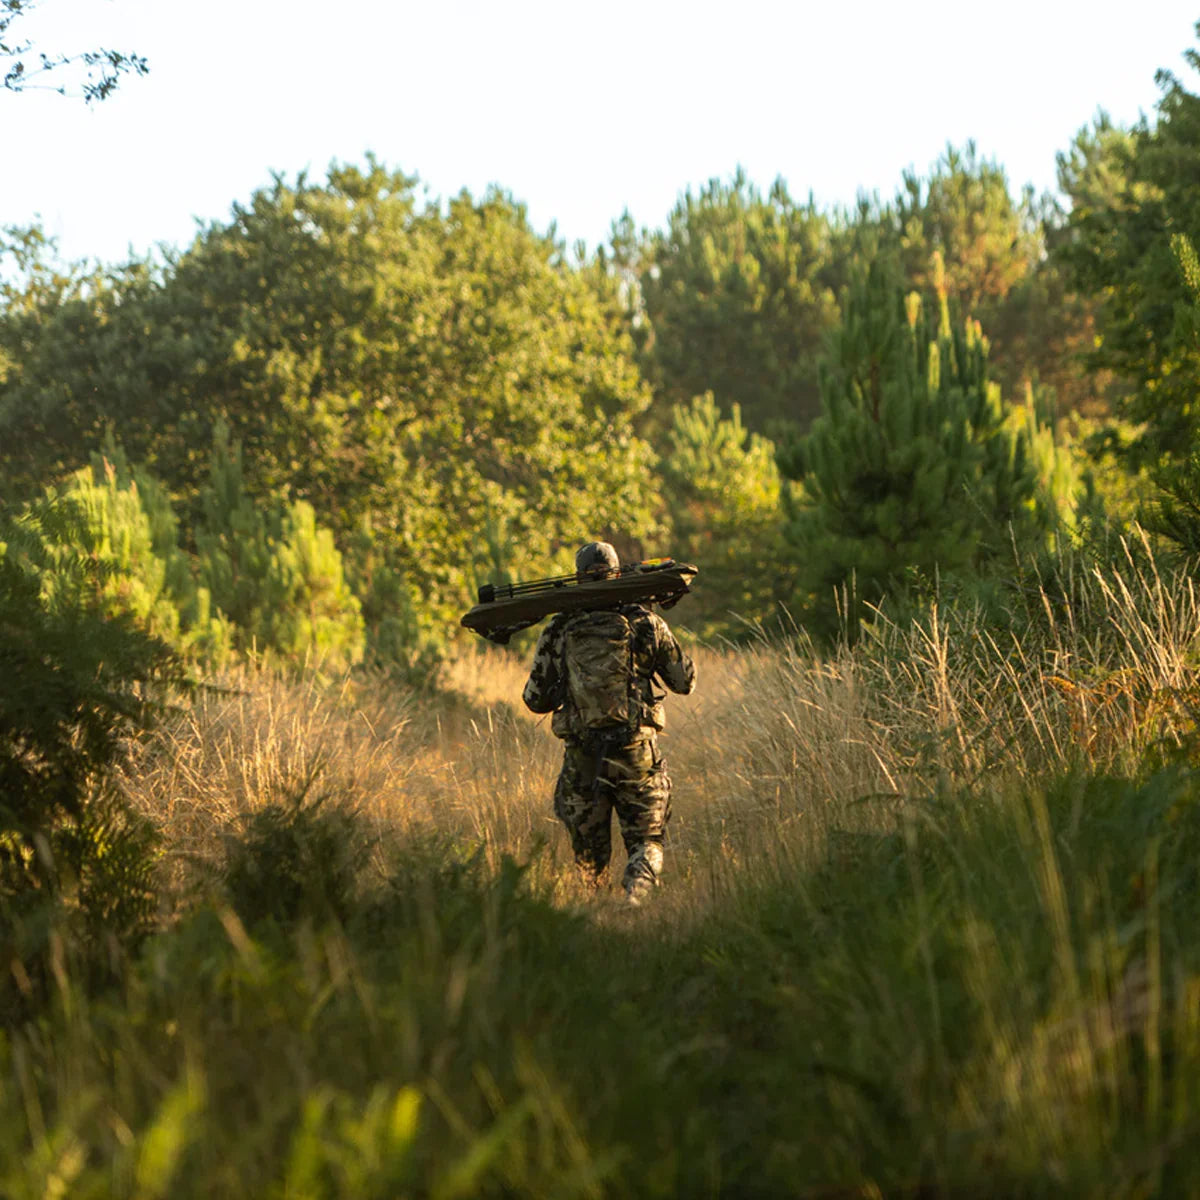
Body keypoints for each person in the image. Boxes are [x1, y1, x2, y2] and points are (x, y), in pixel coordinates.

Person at [522, 541, 696, 904]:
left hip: (583, 758)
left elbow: (534, 700)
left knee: (589, 859)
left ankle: (594, 914)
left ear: (579, 576)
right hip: (636, 754)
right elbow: (685, 683)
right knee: (647, 841)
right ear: (618, 574)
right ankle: (637, 898)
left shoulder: (559, 629)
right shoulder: (646, 622)